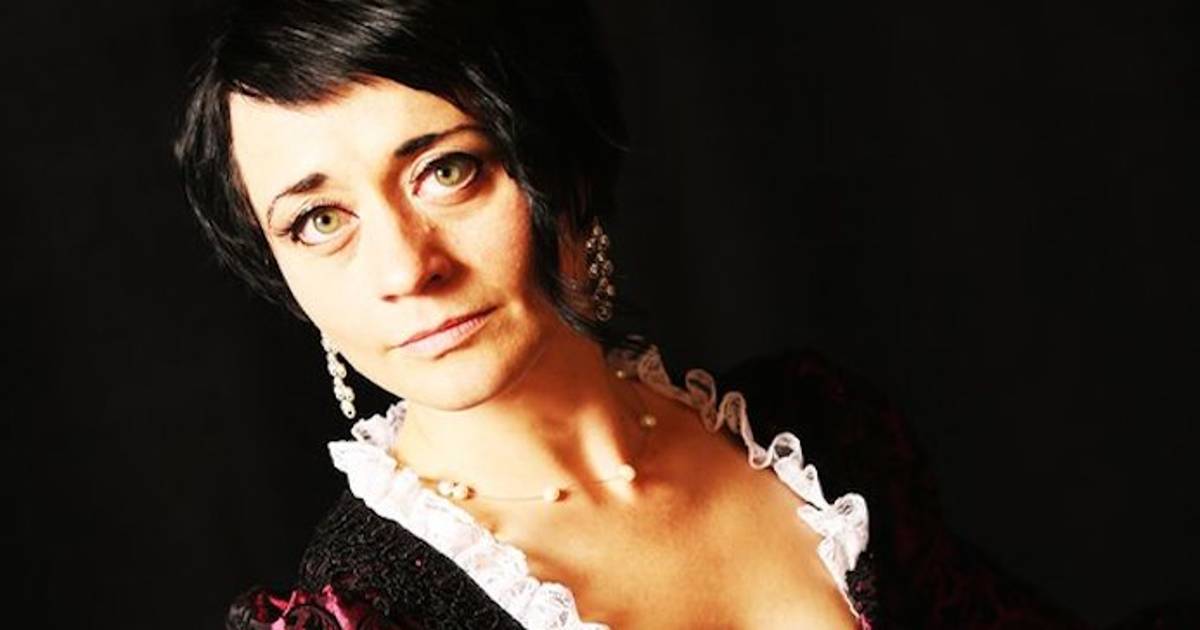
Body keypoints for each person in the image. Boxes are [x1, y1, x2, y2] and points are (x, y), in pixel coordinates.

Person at [175, 1, 1088, 628]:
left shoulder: (820, 434)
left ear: (564, 165)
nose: (408, 268)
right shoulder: (367, 613)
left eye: (448, 170)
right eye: (319, 220)